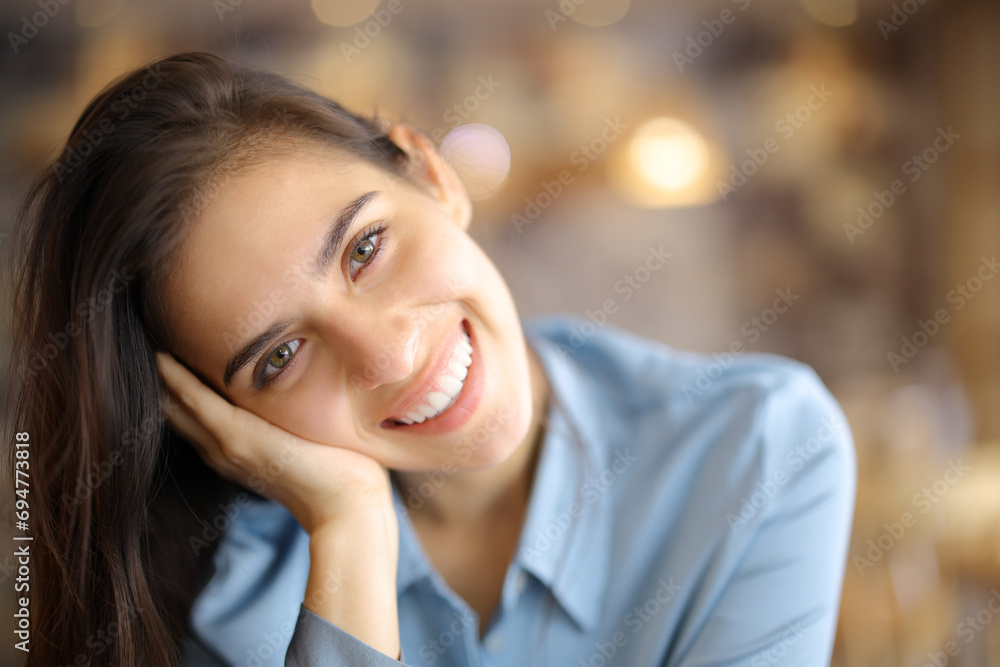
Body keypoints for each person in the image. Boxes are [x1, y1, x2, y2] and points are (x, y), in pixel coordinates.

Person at [6, 51, 856, 666]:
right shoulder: (223, 597)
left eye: (365, 246)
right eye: (282, 356)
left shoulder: (761, 449)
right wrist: (349, 534)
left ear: (432, 173)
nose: (389, 351)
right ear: (213, 419)